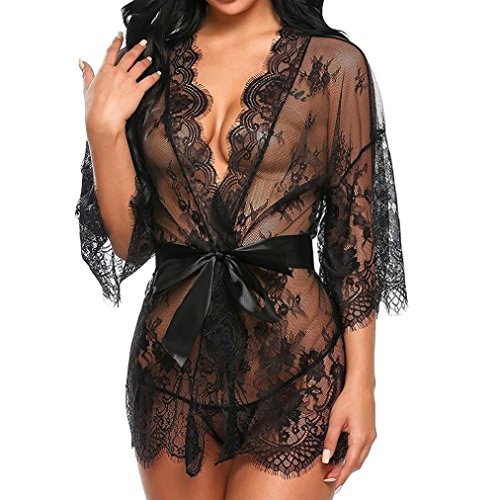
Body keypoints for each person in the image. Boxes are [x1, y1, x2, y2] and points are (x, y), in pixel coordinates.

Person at [75, 0, 408, 498]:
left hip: (295, 365)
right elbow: (131, 244)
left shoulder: (334, 64)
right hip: (169, 368)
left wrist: (363, 384)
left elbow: (354, 240)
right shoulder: (150, 62)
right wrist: (103, 132)